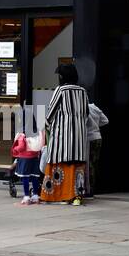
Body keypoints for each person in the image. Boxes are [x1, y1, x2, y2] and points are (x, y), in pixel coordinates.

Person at [39, 64, 90, 206]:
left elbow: (51, 113)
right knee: (76, 165)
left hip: (62, 137)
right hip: (79, 138)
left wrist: (46, 126)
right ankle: (76, 195)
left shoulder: (60, 90)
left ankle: (58, 195)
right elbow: (86, 113)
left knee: (60, 163)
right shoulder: (82, 91)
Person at [11, 131, 42, 205]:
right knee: (35, 177)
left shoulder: (22, 135)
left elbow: (21, 147)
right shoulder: (36, 135)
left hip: (25, 159)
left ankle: (27, 196)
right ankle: (35, 195)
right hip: (35, 158)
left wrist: (15, 149)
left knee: (25, 178)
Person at [85, 101, 108, 197]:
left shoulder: (83, 108)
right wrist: (96, 125)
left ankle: (88, 189)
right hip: (98, 137)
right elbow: (106, 120)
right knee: (94, 164)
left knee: (88, 164)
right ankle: (93, 188)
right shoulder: (95, 107)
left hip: (88, 138)